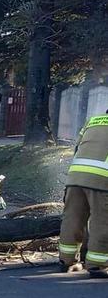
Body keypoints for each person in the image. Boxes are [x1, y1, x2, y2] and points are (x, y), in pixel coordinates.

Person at [59, 110, 108, 277]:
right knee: (102, 221)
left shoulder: (93, 120)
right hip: (102, 180)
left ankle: (67, 261)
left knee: (72, 218)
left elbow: (77, 147)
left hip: (76, 176)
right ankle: (97, 265)